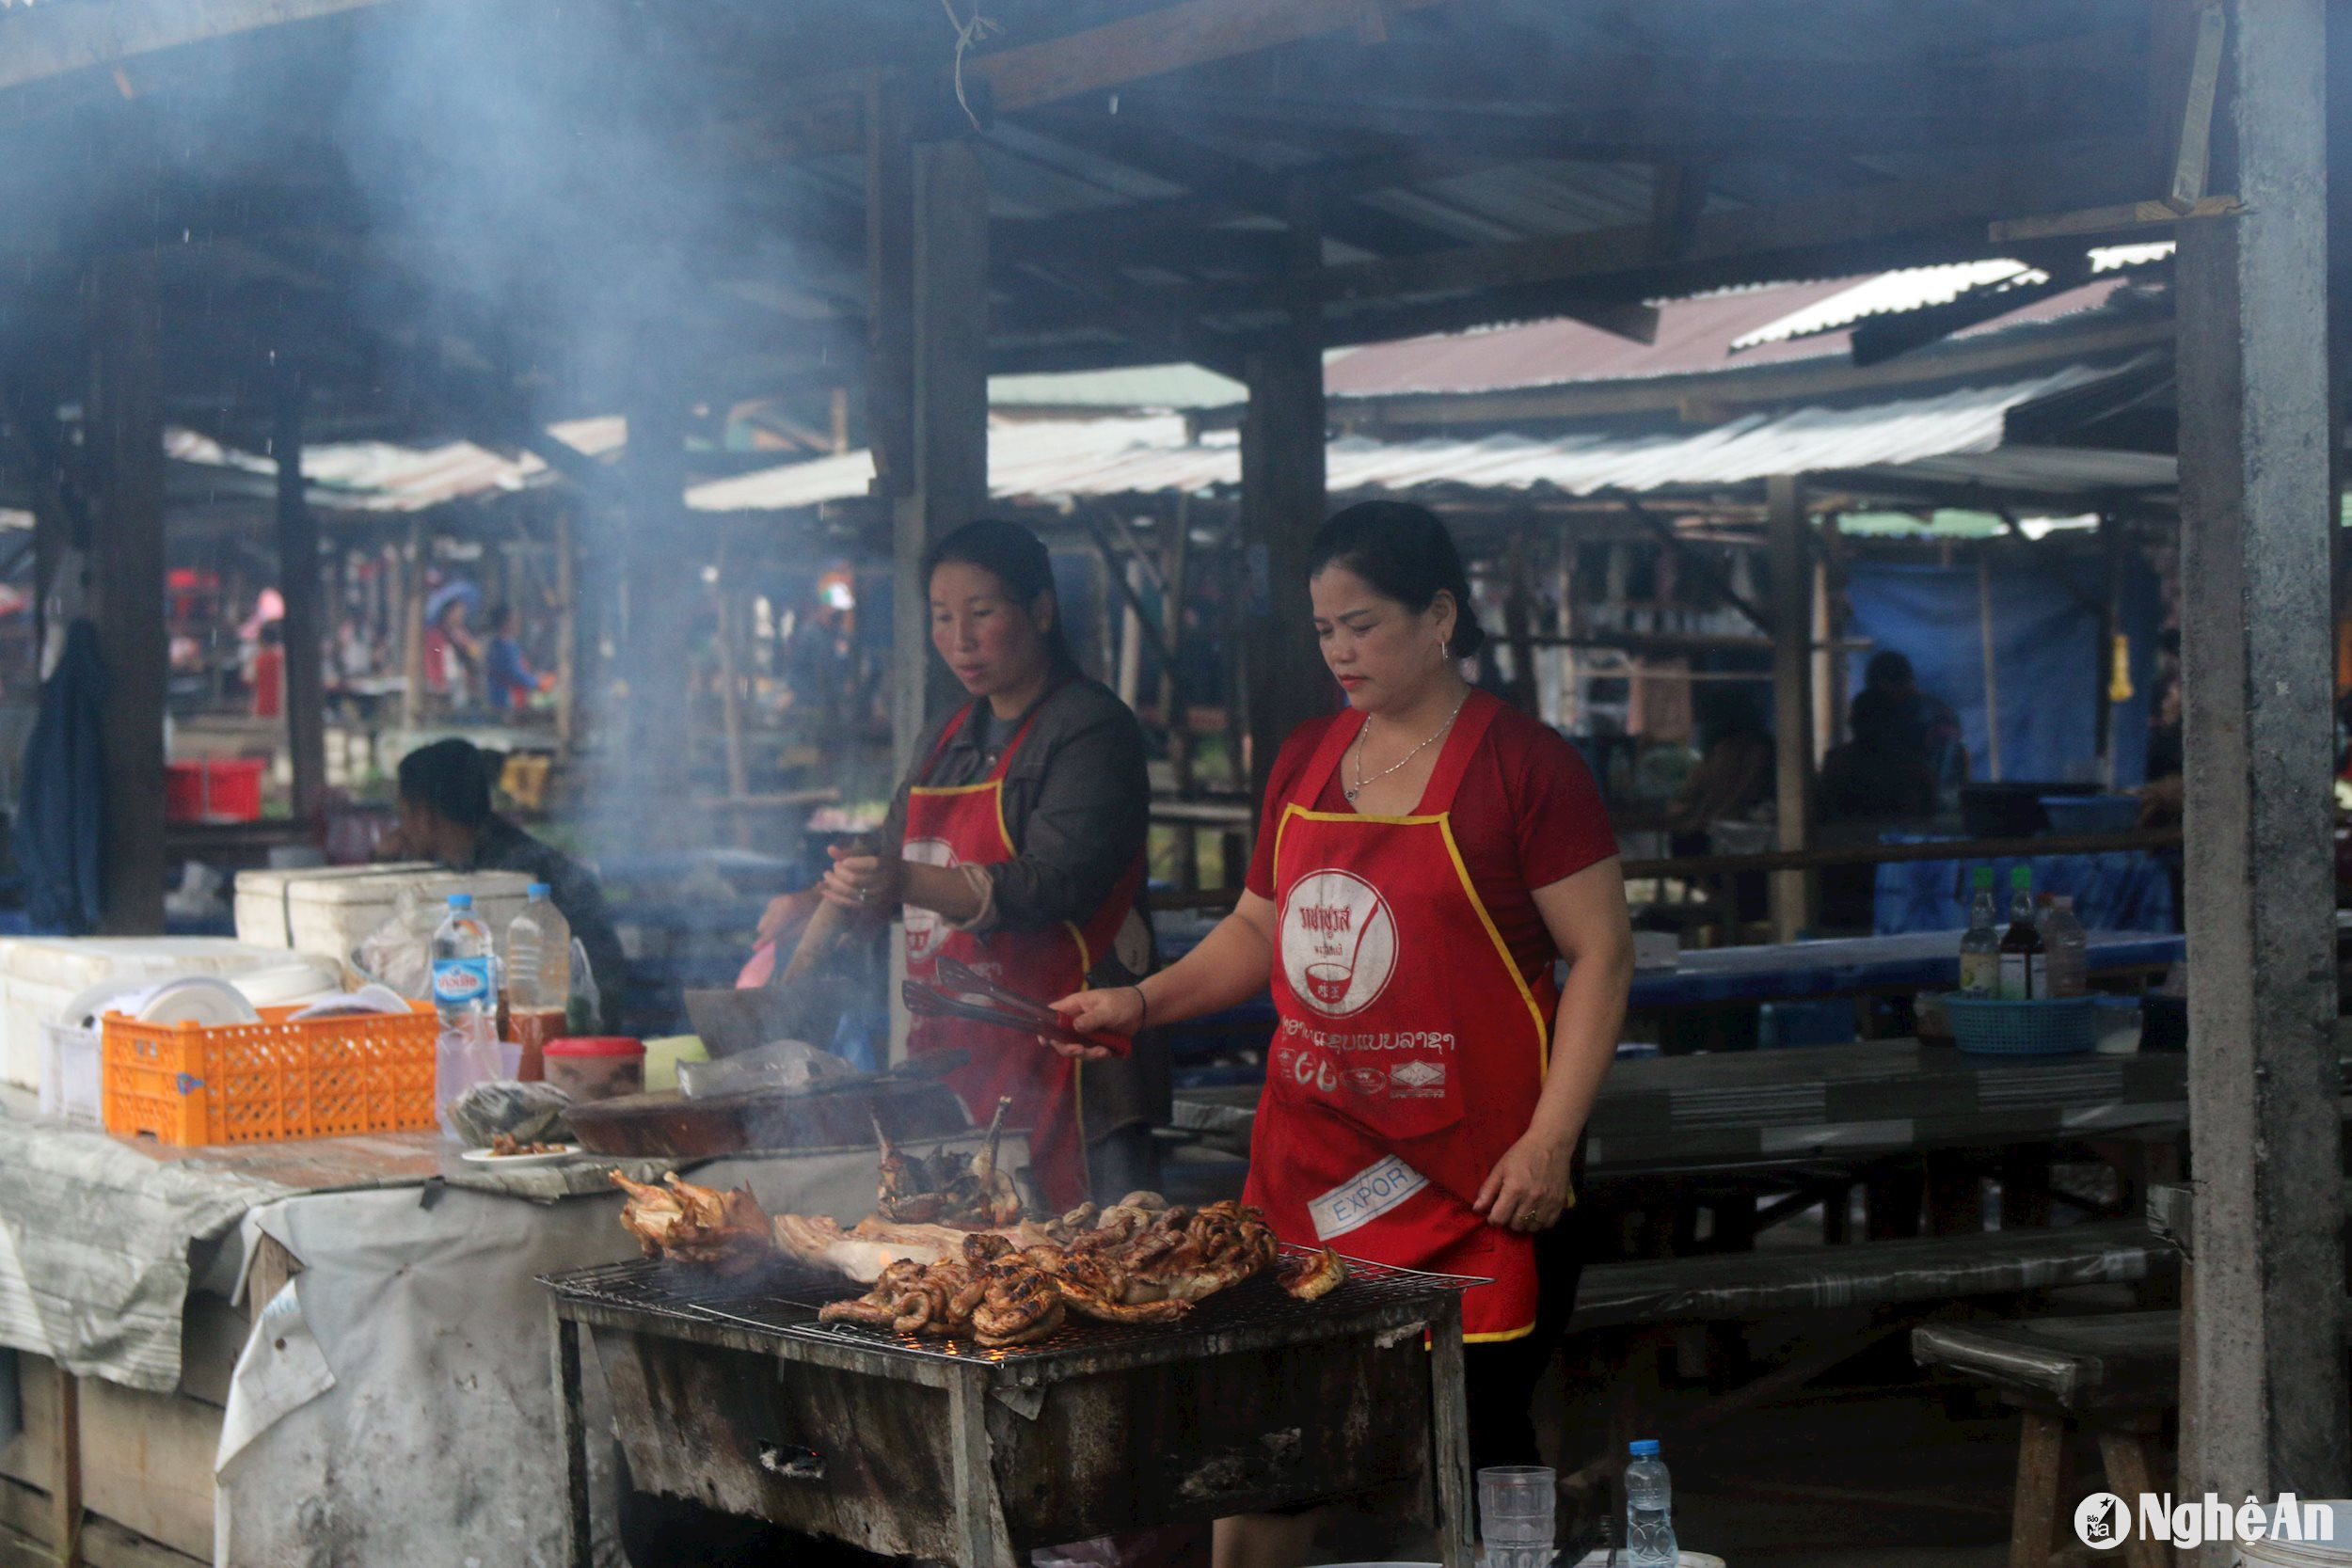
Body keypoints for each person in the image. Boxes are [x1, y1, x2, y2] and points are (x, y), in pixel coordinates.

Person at [1054, 500, 1631, 1566]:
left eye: (1361, 625)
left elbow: (1601, 955)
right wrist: (1141, 1001)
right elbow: (1258, 926)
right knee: (1269, 1455)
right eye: (1324, 630)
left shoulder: (1527, 767)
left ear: (1439, 615)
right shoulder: (1308, 758)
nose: (1339, 652)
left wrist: (1550, 1142)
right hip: (1314, 1172)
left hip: (1483, 1180)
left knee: (1471, 1460)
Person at [782, 518, 1157, 1210]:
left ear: (1040, 610)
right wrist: (820, 896)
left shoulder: (1089, 727)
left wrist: (901, 879)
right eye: (942, 617)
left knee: (1096, 1269)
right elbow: (890, 854)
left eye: (982, 613)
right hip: (959, 1065)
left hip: (1074, 1071)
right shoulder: (947, 735)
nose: (960, 637)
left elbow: (1055, 880)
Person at [385, 738, 627, 1032]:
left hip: (568, 1033)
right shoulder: (490, 857)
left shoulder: (509, 879)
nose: (400, 830)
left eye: (404, 814)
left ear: (423, 816)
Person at [483, 604, 551, 713]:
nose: (518, 624)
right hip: (504, 699)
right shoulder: (501, 647)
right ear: (505, 623)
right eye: (514, 620)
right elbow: (513, 673)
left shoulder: (508, 644)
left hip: (511, 698)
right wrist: (537, 682)